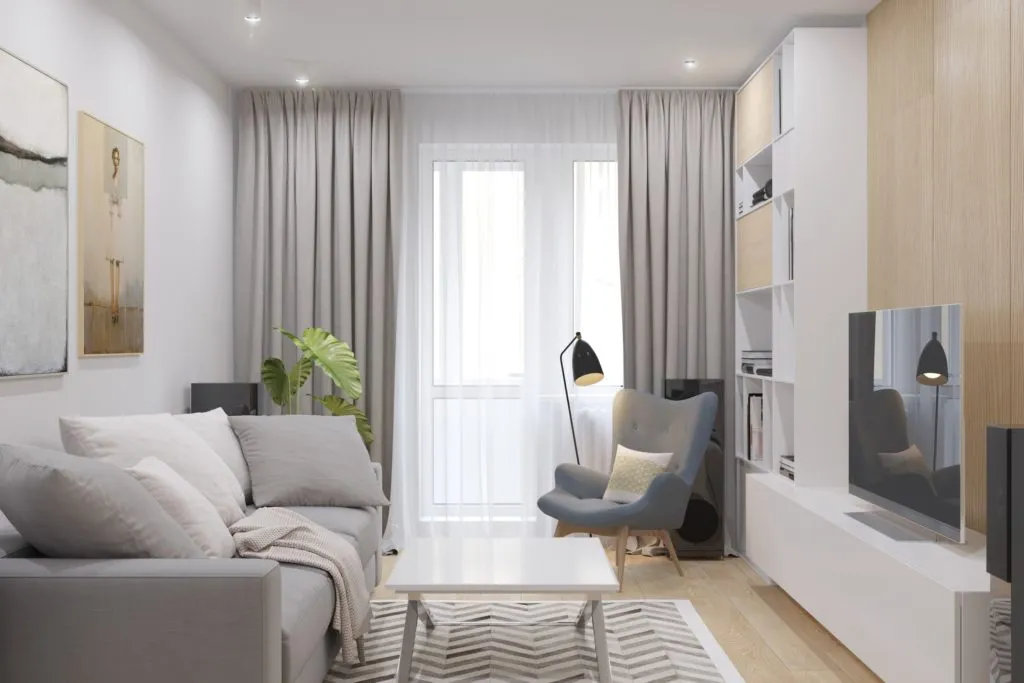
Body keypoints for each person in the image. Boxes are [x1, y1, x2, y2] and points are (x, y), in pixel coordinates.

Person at [106, 146, 123, 323]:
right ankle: (113, 303)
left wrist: (116, 206)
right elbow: (110, 202)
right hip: (112, 221)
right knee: (112, 261)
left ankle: (116, 304)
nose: (116, 161)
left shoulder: (120, 179)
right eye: (114, 158)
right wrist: (111, 206)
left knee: (117, 262)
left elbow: (120, 202)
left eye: (118, 158)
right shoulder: (112, 178)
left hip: (118, 220)